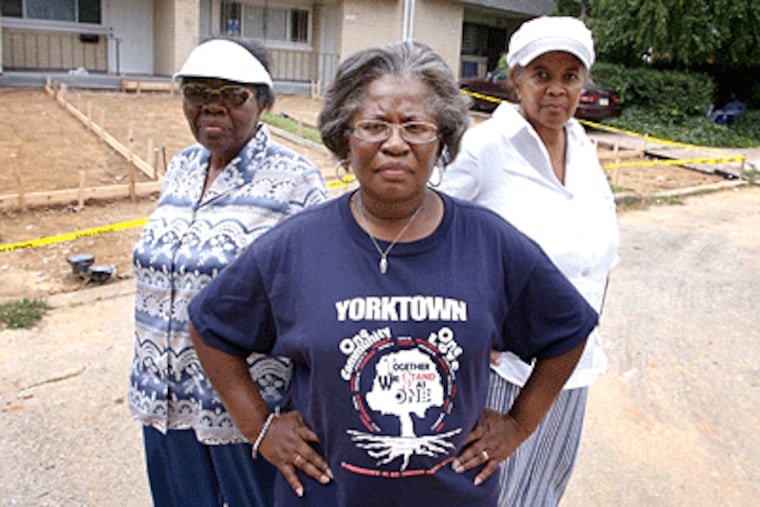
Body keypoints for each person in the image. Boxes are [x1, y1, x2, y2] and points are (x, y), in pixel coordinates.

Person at [187, 40, 598, 507]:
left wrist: (518, 424)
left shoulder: (489, 243)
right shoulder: (296, 246)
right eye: (375, 125)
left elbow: (569, 330)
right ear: (346, 136)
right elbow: (210, 326)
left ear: (442, 139)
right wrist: (258, 427)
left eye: (415, 127)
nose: (395, 143)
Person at [128, 36, 328, 507]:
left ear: (262, 103)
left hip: (247, 413)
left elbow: (321, 307)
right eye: (198, 93)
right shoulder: (181, 168)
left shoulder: (296, 180)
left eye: (232, 95)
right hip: (163, 400)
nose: (211, 107)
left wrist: (288, 417)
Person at [439, 16, 620, 506]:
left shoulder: (583, 147)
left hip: (571, 369)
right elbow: (428, 233)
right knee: (488, 492)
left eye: (570, 76)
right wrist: (473, 327)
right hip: (505, 376)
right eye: (541, 74)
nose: (556, 90)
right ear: (516, 79)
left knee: (543, 491)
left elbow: (595, 257)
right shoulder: (483, 149)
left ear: (584, 81)